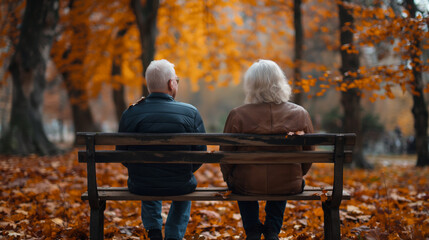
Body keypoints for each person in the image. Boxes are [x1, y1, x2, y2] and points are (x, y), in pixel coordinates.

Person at [220, 59, 314, 240]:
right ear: (280, 82)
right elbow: (309, 154)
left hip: (246, 185)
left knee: (241, 182)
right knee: (283, 179)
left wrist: (229, 178)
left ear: (251, 86)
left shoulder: (238, 115)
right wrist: (297, 174)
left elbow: (225, 155)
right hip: (288, 184)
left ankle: (253, 231)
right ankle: (272, 230)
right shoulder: (300, 113)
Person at [118, 59, 206, 240]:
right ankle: (173, 235)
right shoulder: (190, 113)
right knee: (185, 184)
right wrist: (185, 169)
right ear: (171, 83)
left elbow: (123, 154)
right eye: (177, 80)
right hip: (180, 183)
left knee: (146, 173)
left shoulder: (131, 113)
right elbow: (200, 154)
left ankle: (154, 231)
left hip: (141, 183)